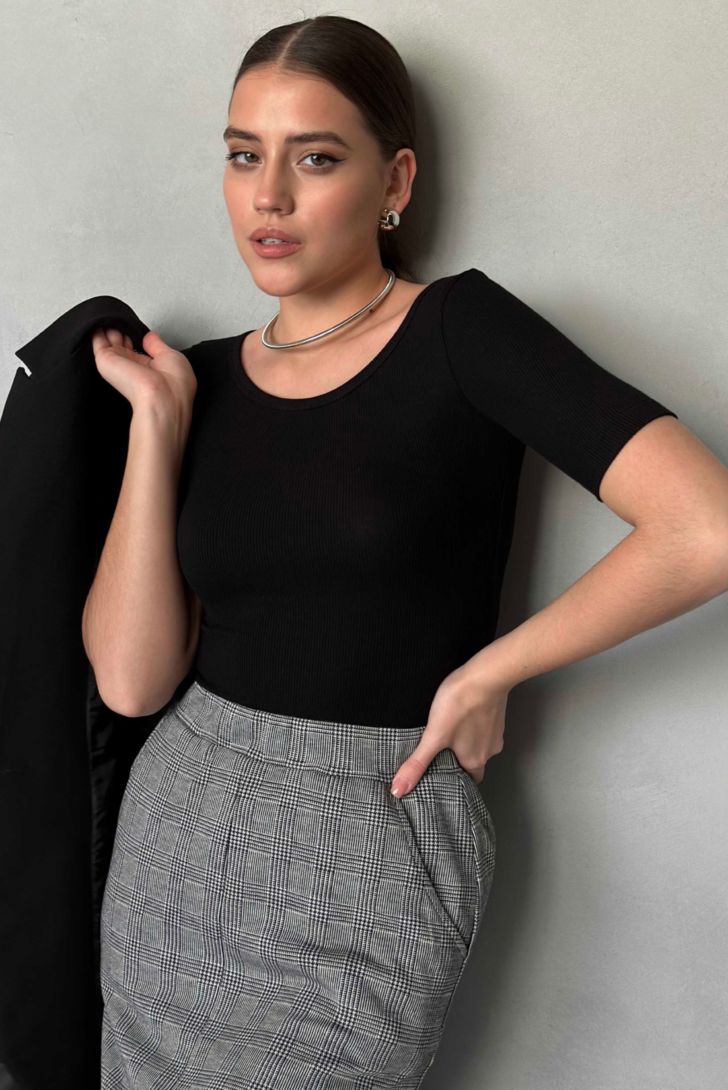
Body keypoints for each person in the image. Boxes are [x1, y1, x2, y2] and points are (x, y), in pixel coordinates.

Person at [85, 15, 728, 1090]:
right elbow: (130, 680)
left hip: (374, 839)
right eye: (243, 155)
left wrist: (488, 673)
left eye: (314, 158)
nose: (268, 197)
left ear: (395, 180)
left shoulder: (461, 331)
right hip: (178, 833)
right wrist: (156, 425)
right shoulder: (201, 377)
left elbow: (704, 527)